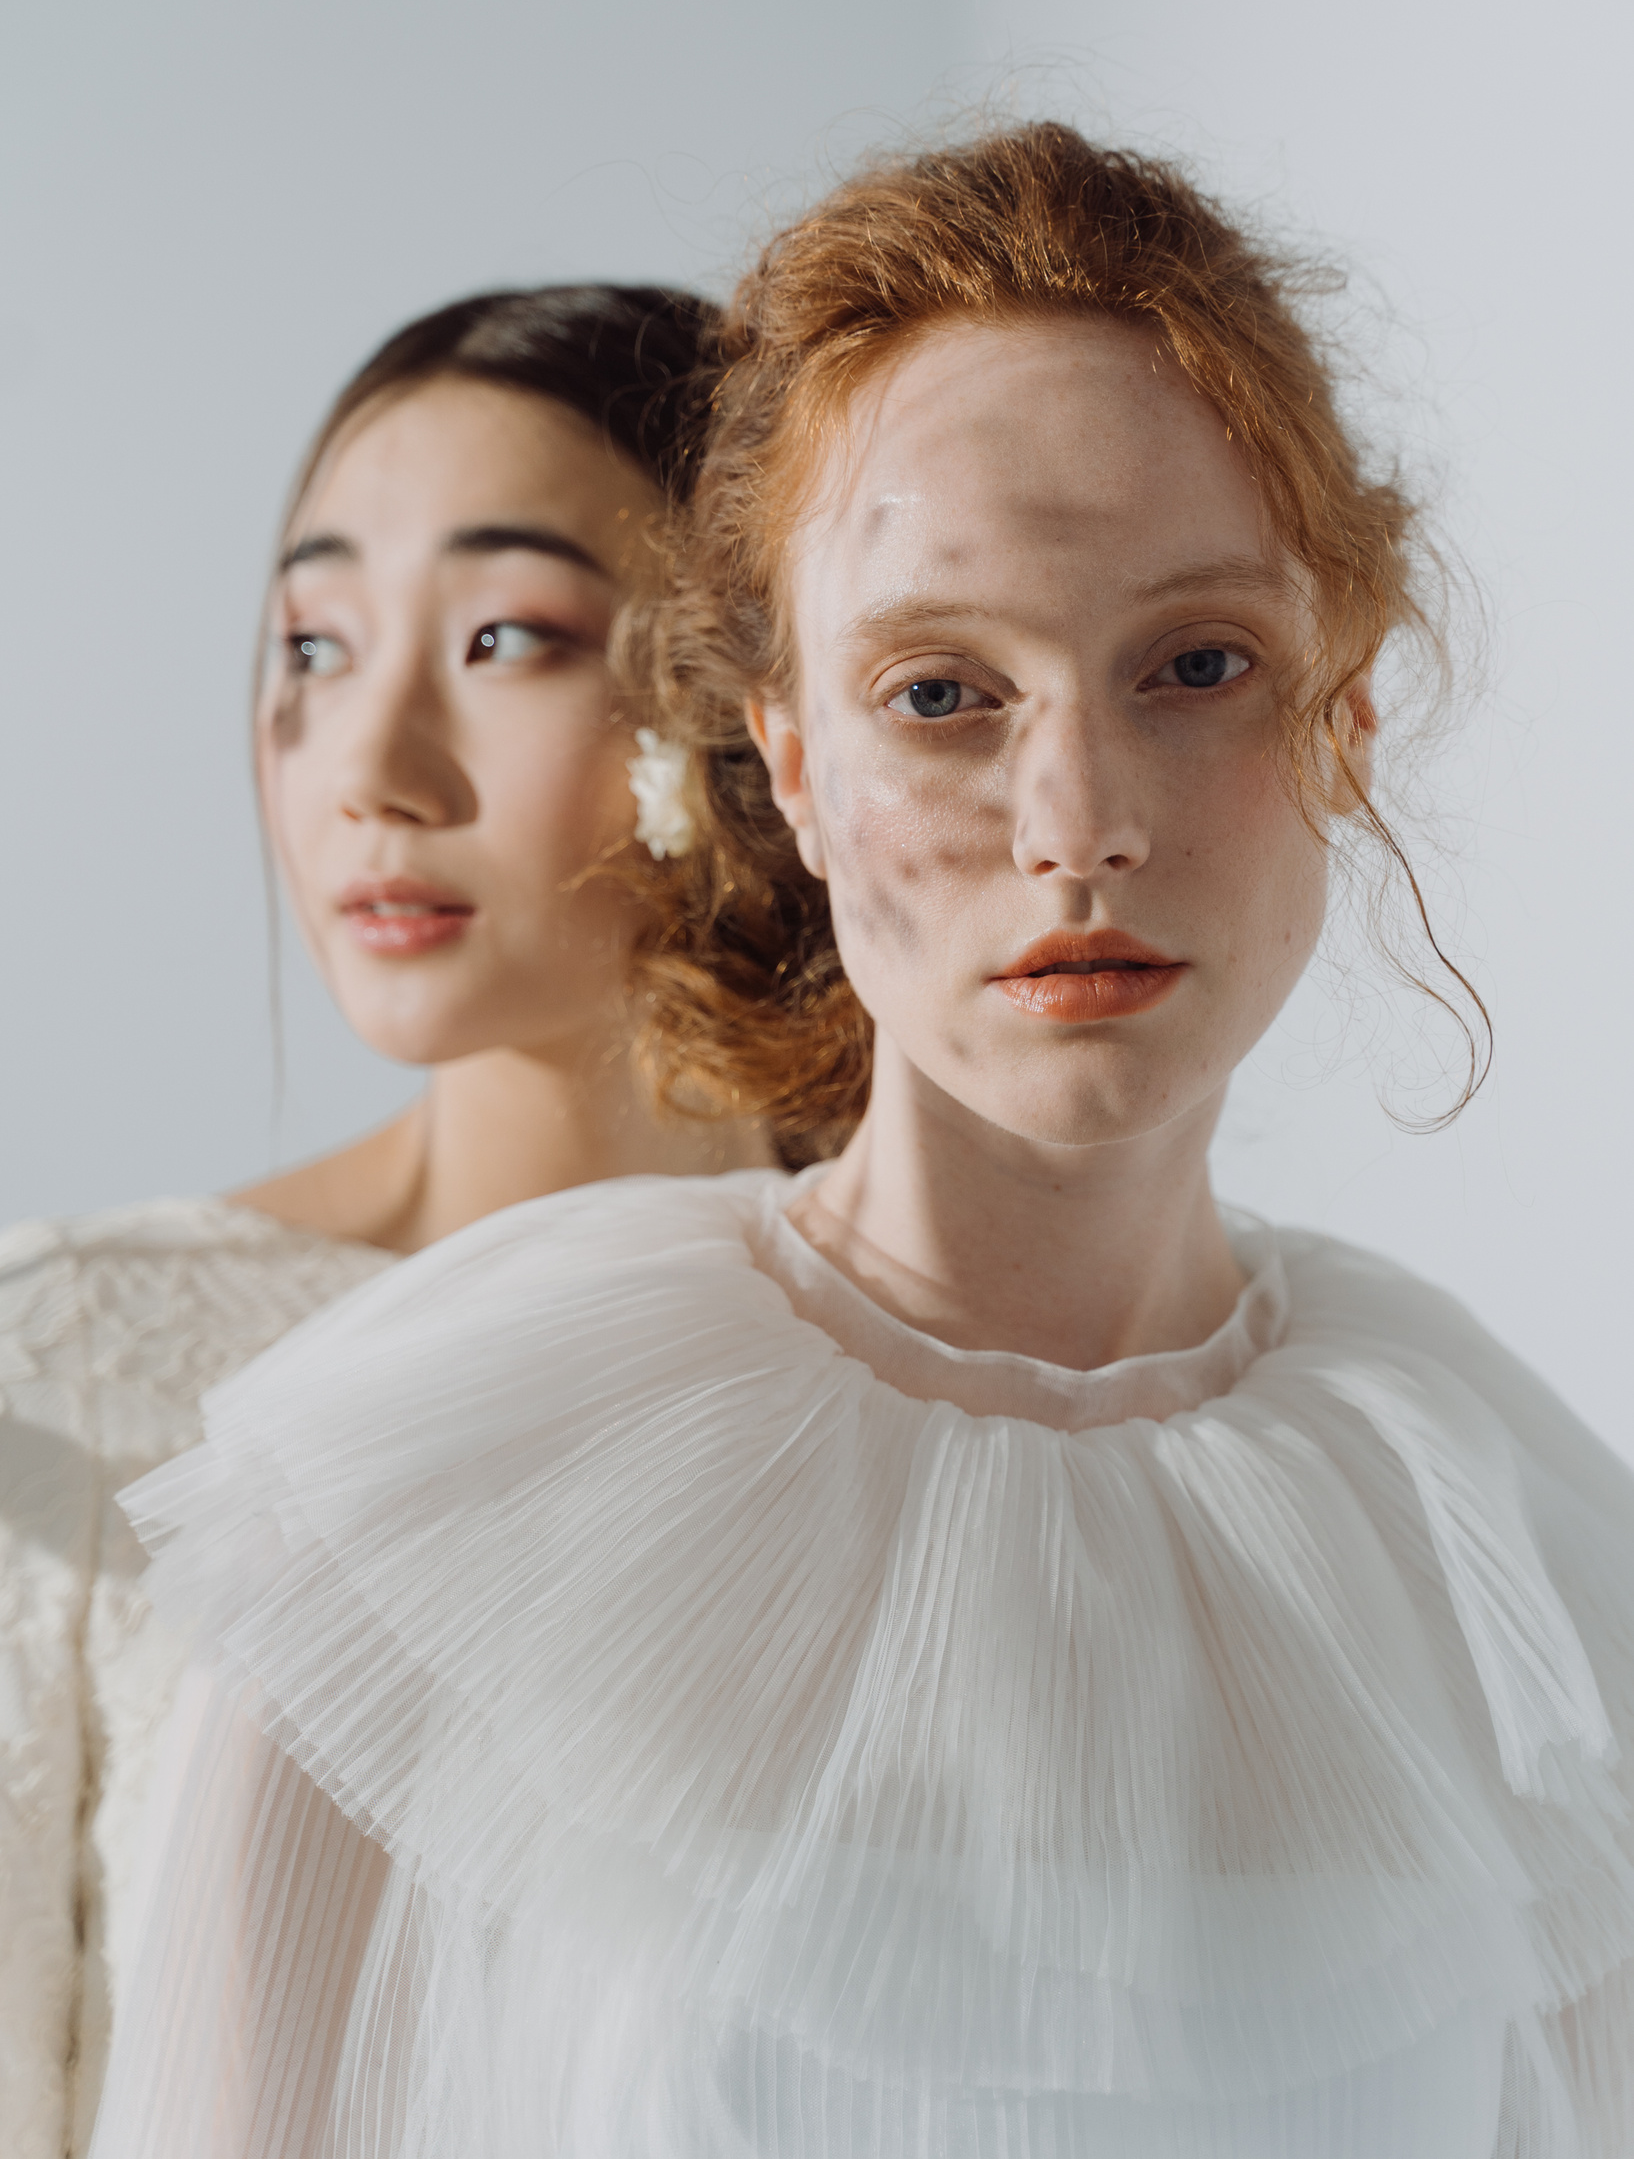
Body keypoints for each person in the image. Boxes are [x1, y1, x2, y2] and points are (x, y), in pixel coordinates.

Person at [92, 129, 1634, 2156]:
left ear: (1339, 721)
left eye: (1194, 666)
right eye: (941, 690)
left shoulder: (1514, 1564)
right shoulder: (414, 1531)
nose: (1076, 815)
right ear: (793, 764)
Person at [0, 282, 767, 2159]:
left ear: (754, 712)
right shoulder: (70, 1376)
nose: (371, 765)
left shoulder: (941, 1375)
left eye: (506, 635)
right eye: (314, 647)